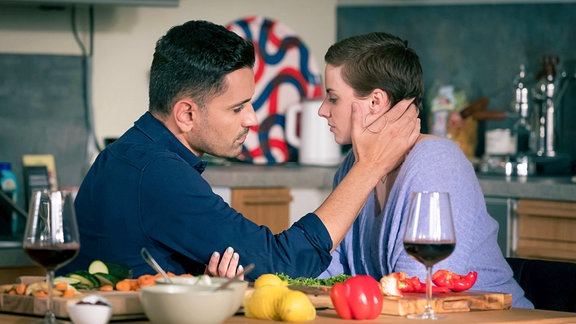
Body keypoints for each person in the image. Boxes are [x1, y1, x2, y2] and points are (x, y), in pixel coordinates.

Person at [59, 20, 421, 281]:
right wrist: (370, 166)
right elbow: (283, 264)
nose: (252, 118)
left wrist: (207, 279)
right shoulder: (159, 172)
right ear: (186, 113)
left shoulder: (126, 154)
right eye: (237, 108)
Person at [314, 31, 533, 308]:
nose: (322, 110)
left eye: (333, 98)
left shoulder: (437, 162)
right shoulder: (352, 169)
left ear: (375, 102)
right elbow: (327, 270)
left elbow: (420, 291)